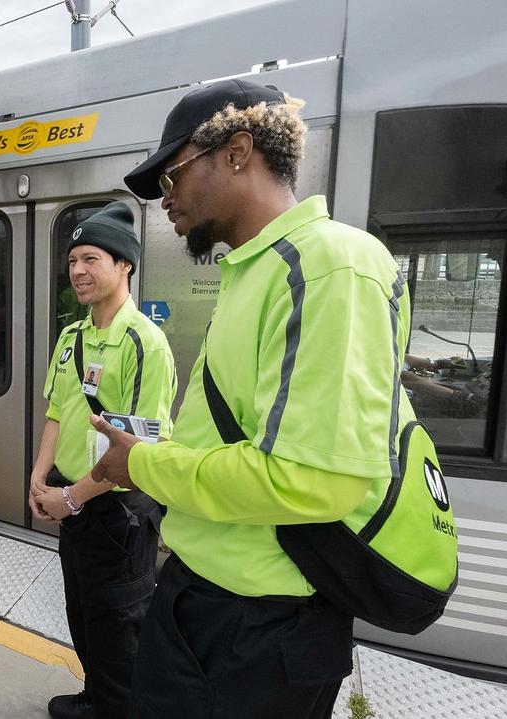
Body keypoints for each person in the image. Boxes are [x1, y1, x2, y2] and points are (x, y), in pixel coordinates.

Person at [91, 79, 413, 718]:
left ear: (237, 153)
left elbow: (314, 480)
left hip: (262, 628)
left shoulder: (328, 268)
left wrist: (142, 465)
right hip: (207, 597)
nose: (165, 200)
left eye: (172, 176)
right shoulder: (255, 272)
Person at [29, 202, 177, 719]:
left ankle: (114, 706)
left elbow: (137, 452)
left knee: (119, 628)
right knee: (84, 613)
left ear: (125, 266)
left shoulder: (145, 343)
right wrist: (38, 477)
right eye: (72, 261)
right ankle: (96, 697)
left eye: (91, 258)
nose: (78, 271)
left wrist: (69, 497)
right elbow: (55, 411)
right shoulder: (72, 337)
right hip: (73, 502)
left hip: (117, 512)